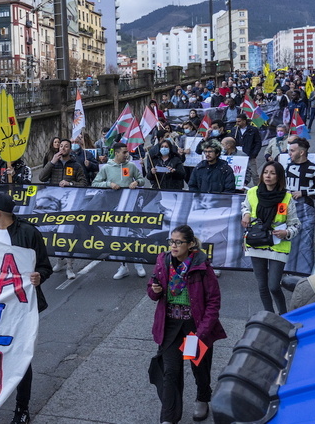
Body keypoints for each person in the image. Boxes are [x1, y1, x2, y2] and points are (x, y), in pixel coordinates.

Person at [0, 191, 53, 424]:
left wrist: (39, 276)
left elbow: (44, 266)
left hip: (20, 309)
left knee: (21, 358)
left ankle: (22, 410)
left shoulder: (28, 233)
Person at [147, 225, 226, 424]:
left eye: (178, 242)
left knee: (199, 366)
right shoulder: (163, 261)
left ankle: (202, 397)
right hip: (170, 327)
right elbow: (152, 291)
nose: (173, 246)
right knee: (170, 372)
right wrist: (155, 290)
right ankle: (169, 418)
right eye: (171, 241)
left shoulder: (201, 266)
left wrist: (201, 333)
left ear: (190, 244)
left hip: (195, 327)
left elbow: (213, 302)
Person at [241, 162, 300, 315]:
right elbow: (245, 207)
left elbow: (296, 225)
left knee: (273, 286)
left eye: (272, 173)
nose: (268, 176)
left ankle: (284, 315)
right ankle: (269, 316)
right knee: (262, 286)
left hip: (278, 245)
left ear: (279, 177)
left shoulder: (287, 197)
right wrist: (246, 214)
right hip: (256, 242)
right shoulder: (252, 192)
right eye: (265, 172)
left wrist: (286, 232)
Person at [92, 142, 147, 279]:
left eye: (127, 152)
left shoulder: (131, 166)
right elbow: (95, 183)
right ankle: (123, 266)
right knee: (119, 236)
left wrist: (136, 182)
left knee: (133, 234)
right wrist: (108, 184)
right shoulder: (106, 168)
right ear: (116, 153)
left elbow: (142, 180)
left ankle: (138, 263)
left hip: (131, 207)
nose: (126, 154)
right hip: (113, 207)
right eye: (124, 152)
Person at [39, 139, 87, 279]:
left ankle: (70, 266)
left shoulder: (76, 165)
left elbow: (83, 183)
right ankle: (60, 261)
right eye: (61, 146)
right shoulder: (53, 163)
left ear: (70, 149)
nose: (63, 148)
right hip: (55, 205)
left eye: (66, 146)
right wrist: (52, 162)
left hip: (69, 204)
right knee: (55, 234)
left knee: (68, 234)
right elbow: (42, 177)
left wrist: (70, 183)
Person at [284, 137, 315, 276]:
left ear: (302, 152)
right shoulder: (287, 166)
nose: (289, 153)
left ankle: (305, 274)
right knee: (287, 238)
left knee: (305, 241)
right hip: (286, 208)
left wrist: (303, 192)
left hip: (306, 208)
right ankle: (286, 270)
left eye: (292, 150)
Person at [232, 114, 261, 187]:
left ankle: (258, 188)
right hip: (238, 156)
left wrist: (254, 154)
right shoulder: (234, 130)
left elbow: (258, 142)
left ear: (244, 121)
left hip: (250, 155)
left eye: (239, 121)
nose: (237, 123)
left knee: (254, 174)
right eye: (236, 121)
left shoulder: (253, 130)